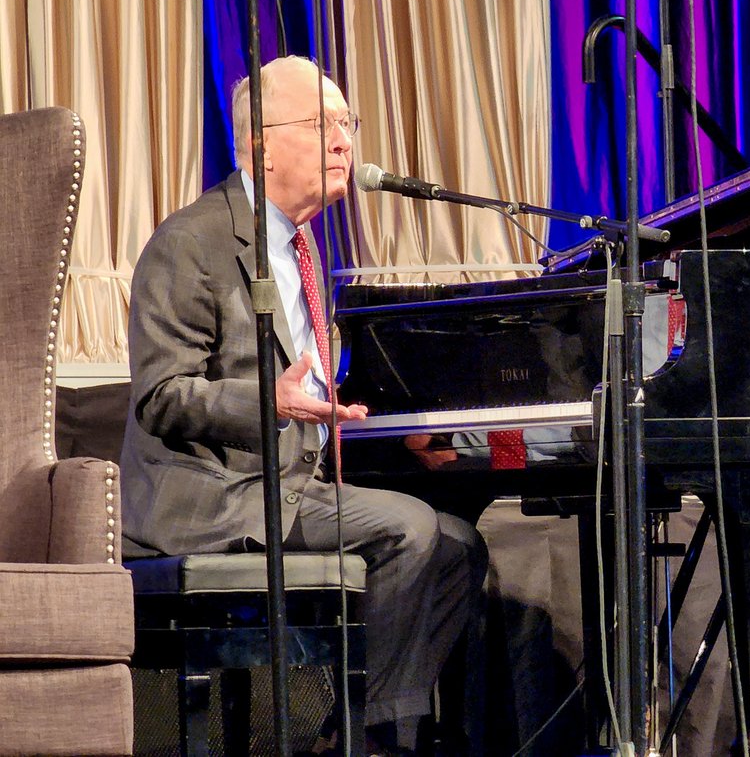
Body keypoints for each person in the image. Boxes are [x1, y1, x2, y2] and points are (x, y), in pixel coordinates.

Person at [120, 55, 486, 756]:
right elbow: (161, 397)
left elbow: (311, 394)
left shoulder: (304, 246)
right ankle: (371, 740)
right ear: (259, 143)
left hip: (286, 488)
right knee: (409, 528)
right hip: (212, 499)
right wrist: (273, 401)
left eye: (348, 122)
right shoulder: (190, 243)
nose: (346, 140)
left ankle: (345, 731)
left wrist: (378, 430)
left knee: (460, 547)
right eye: (323, 125)